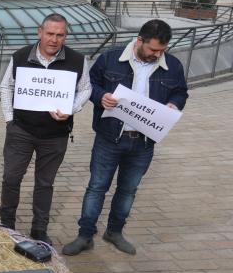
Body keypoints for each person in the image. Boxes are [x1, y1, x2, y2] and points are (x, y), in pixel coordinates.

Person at [63, 20, 188, 256]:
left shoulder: (173, 65)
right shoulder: (110, 58)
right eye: (152, 50)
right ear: (139, 40)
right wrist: (101, 97)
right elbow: (90, 85)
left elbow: (181, 91)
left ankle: (114, 232)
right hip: (109, 137)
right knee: (97, 187)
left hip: (143, 141)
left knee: (128, 190)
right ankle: (85, 235)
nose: (157, 54)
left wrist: (174, 103)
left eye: (162, 50)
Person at [0, 13, 91, 244]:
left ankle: (39, 229)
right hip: (21, 130)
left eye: (60, 35)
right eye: (50, 34)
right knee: (11, 178)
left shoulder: (77, 60)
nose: (54, 39)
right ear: (40, 32)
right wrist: (10, 119)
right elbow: (6, 86)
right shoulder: (20, 56)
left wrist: (72, 108)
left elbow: (86, 89)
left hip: (55, 135)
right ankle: (6, 224)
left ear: (65, 36)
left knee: (45, 183)